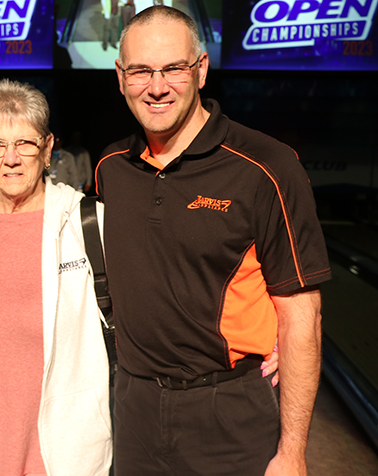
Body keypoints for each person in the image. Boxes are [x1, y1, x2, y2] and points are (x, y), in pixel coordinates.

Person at [95, 6, 329, 475]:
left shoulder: (267, 167)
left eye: (173, 69)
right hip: (134, 406)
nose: (156, 87)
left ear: (201, 69)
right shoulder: (111, 167)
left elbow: (302, 314)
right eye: (140, 71)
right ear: (121, 77)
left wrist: (292, 453)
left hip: (229, 411)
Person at [0, 79, 113, 476]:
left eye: (25, 144)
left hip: (58, 457)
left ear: (48, 149)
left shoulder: (87, 224)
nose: (11, 158)